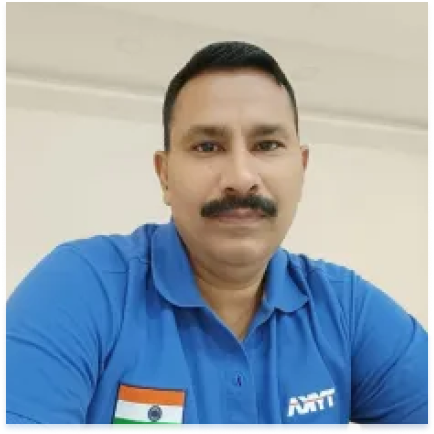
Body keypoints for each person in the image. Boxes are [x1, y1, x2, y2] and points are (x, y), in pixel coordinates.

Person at [3, 41, 432, 433]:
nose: (241, 178)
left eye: (267, 145)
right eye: (207, 146)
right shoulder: (82, 287)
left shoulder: (342, 308)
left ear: (301, 169)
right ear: (165, 175)